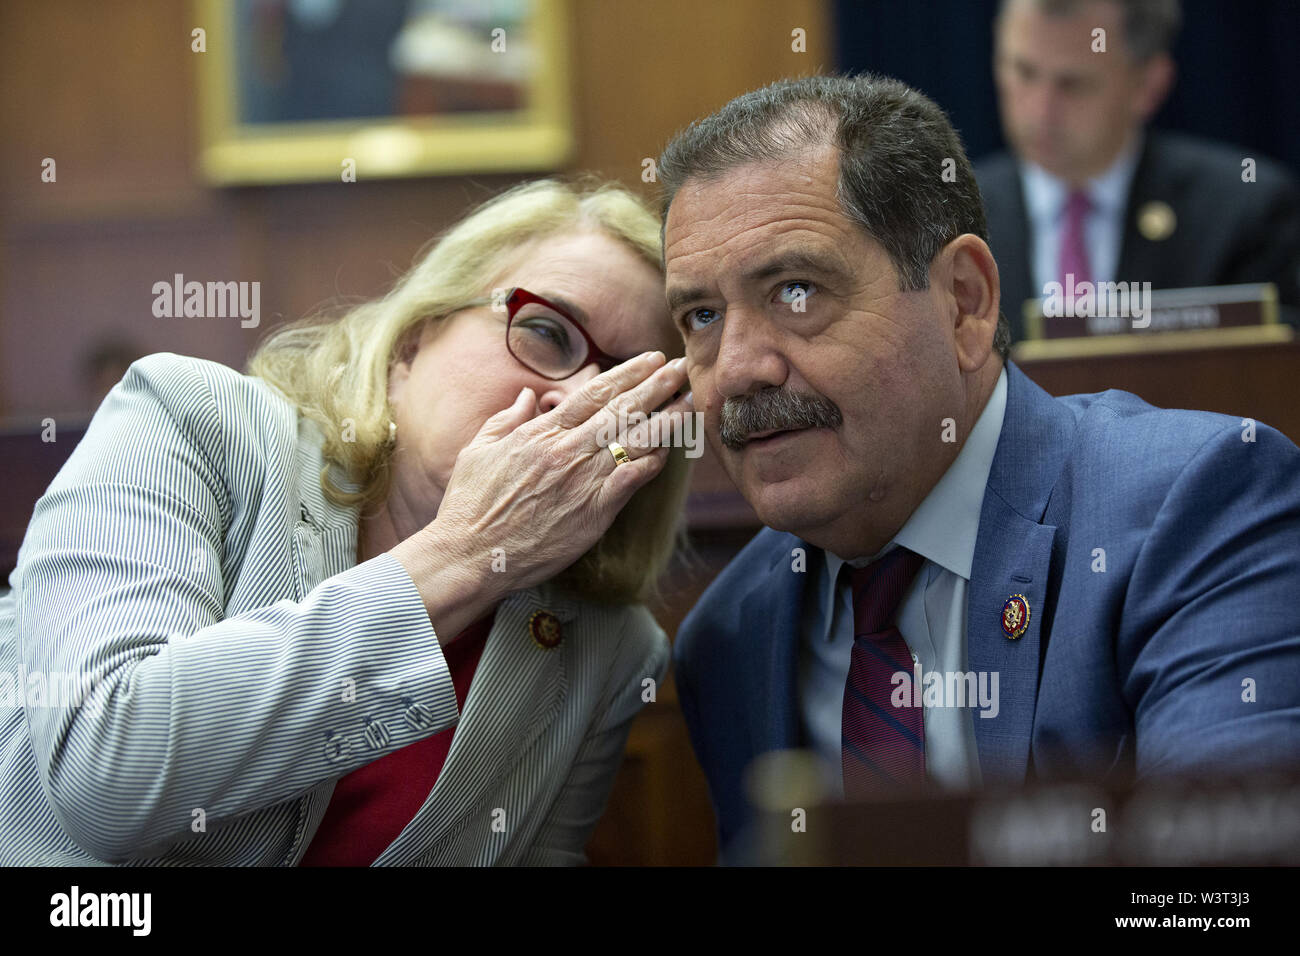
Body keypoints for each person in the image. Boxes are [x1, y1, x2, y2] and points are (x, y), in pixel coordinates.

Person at [658, 74, 1300, 862]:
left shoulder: (1197, 504)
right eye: (702, 317)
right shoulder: (729, 636)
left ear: (963, 302)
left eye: (795, 292)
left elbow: (1219, 898)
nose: (735, 370)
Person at [0, 177, 694, 865]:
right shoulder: (191, 421)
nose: (575, 400)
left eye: (629, 387)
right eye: (546, 331)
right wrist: (470, 554)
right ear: (411, 346)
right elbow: (105, 771)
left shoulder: (610, 649)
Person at [976, 0, 1300, 339]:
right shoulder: (949, 216)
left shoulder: (1242, 216)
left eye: (1072, 84)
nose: (1041, 111)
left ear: (1149, 85)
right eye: (1024, 71)